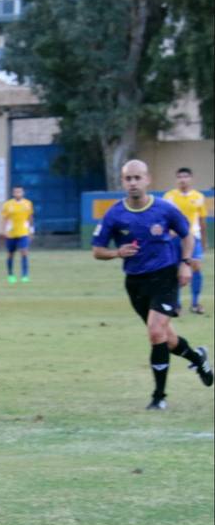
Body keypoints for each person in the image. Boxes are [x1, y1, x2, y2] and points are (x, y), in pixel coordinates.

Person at [91, 159, 212, 410]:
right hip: (135, 282)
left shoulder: (164, 209)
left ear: (148, 180)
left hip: (165, 276)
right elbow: (97, 250)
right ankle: (198, 358)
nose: (133, 183)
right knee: (167, 339)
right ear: (123, 182)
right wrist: (116, 253)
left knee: (156, 332)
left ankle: (159, 397)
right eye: (128, 178)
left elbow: (187, 236)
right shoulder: (114, 214)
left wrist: (186, 263)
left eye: (138, 178)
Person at [163, 167, 206, 314]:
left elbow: (202, 221)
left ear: (191, 178)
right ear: (176, 179)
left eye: (186, 176)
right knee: (176, 270)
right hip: (175, 238)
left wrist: (204, 242)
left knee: (196, 267)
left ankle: (195, 303)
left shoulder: (199, 197)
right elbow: (164, 218)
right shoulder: (169, 197)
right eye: (180, 177)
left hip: (193, 237)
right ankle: (176, 304)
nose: (183, 179)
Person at [1, 185, 34, 284]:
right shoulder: (8, 204)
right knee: (10, 254)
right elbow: (5, 219)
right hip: (11, 233)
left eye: (19, 192)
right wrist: (4, 230)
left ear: (23, 193)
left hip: (23, 232)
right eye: (16, 192)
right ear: (13, 193)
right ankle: (10, 275)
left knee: (24, 251)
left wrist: (31, 230)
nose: (17, 194)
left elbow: (30, 217)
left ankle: (25, 275)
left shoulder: (28, 203)